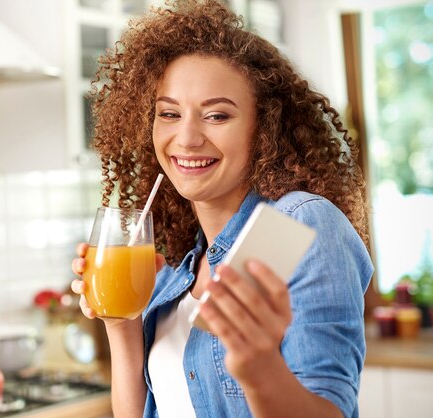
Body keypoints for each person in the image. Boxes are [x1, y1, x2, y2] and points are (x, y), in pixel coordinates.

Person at [70, 1, 373, 417]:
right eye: (169, 113)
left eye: (216, 115)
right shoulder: (172, 271)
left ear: (262, 127)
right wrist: (120, 323)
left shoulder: (289, 227)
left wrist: (259, 368)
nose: (187, 137)